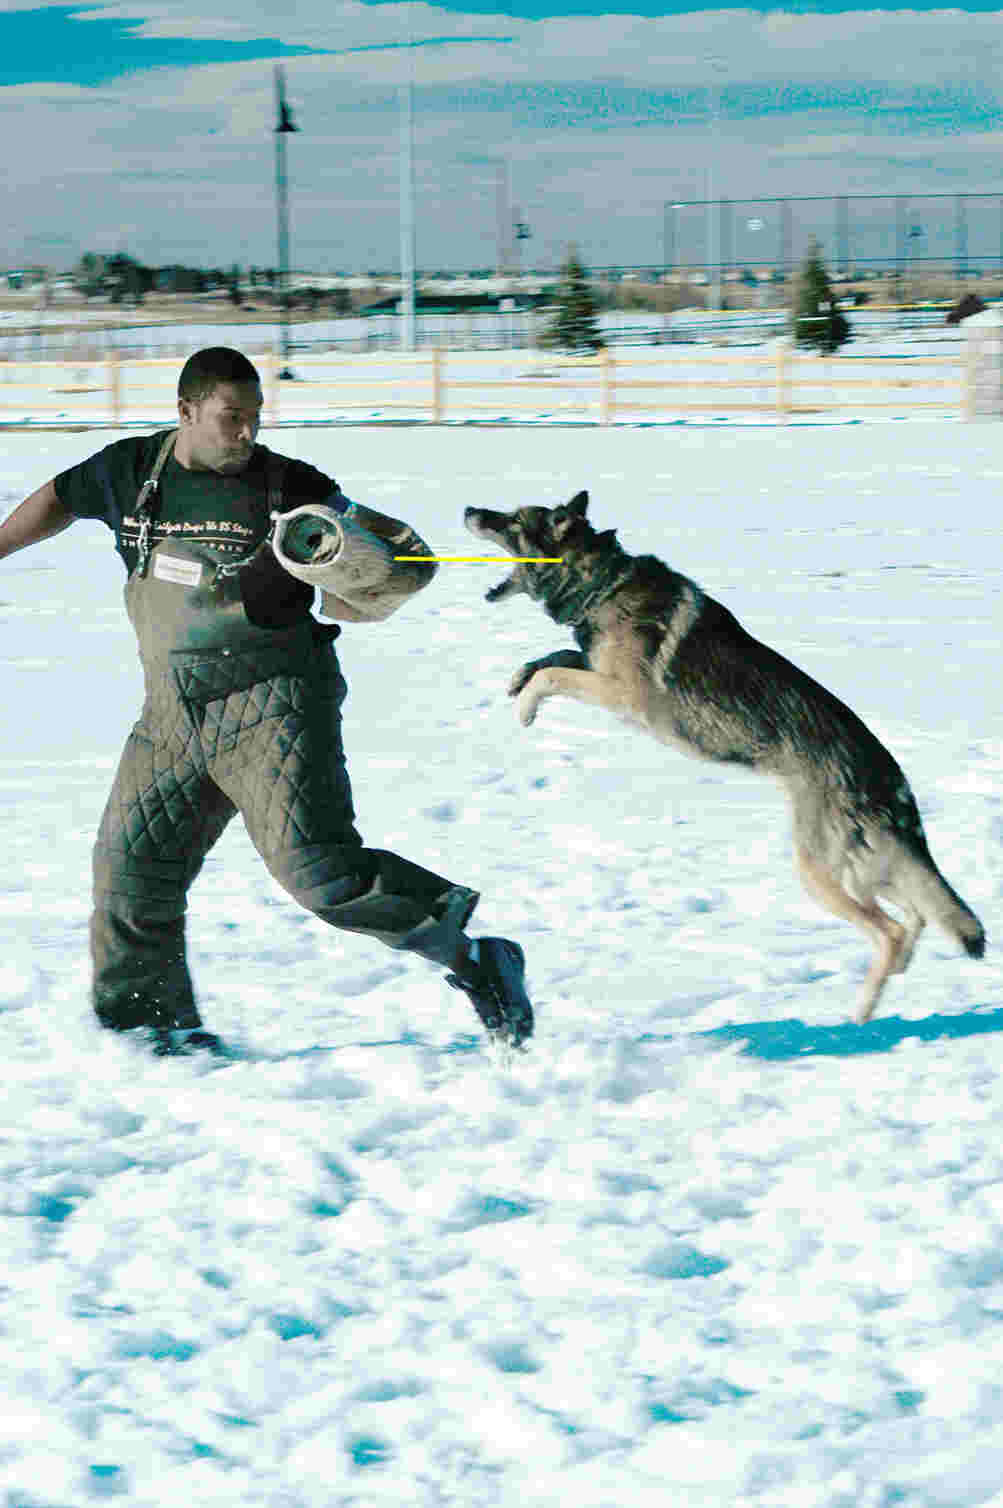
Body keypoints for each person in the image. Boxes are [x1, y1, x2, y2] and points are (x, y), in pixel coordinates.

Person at [0, 347, 533, 1057]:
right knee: (130, 871)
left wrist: (353, 571)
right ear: (186, 411)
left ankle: (476, 960)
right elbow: (59, 498)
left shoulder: (292, 486)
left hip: (274, 702)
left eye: (255, 416)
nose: (247, 432)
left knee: (320, 872)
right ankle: (152, 1033)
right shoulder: (130, 471)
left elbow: (402, 564)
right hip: (172, 712)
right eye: (232, 417)